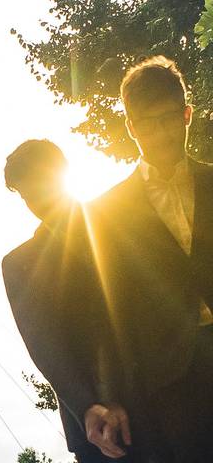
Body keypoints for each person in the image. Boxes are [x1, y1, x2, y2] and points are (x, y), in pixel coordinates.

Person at [82, 56, 213, 462]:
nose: (162, 132)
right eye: (149, 123)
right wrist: (109, 395)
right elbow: (106, 309)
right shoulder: (105, 214)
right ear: (131, 127)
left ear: (187, 114)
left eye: (171, 118)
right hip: (169, 388)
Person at [2, 139, 119, 463]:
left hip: (167, 401)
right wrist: (89, 405)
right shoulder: (18, 266)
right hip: (97, 430)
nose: (37, 202)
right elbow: (46, 347)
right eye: (27, 196)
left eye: (41, 187)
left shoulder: (122, 219)